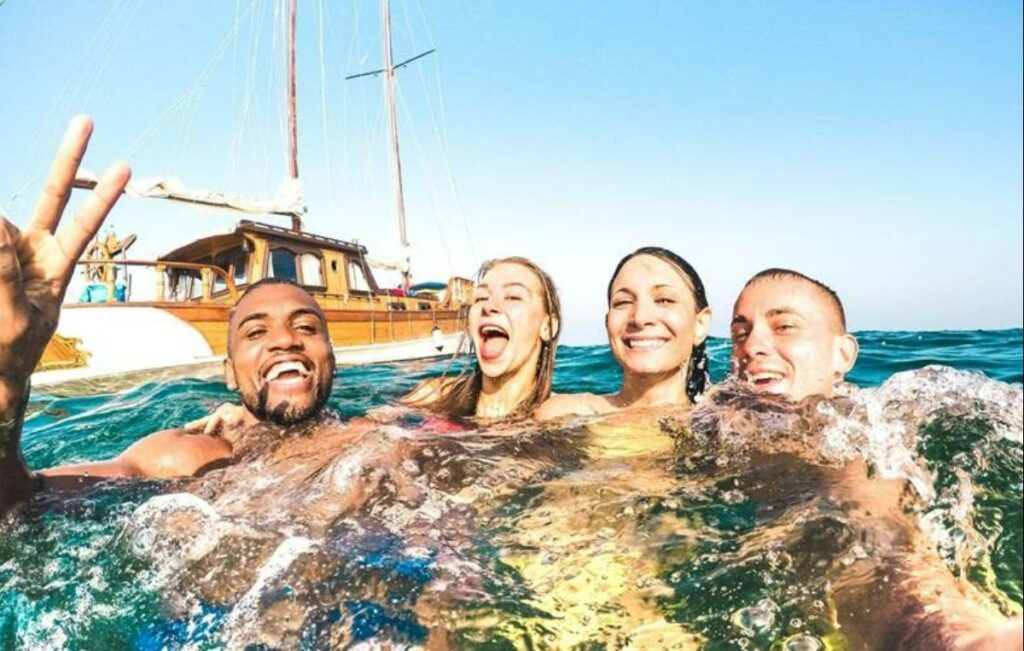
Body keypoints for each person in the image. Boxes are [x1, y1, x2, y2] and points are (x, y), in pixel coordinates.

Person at [536, 246, 712, 420]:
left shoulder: (719, 423)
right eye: (623, 302)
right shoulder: (565, 414)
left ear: (700, 324)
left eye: (664, 300)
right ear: (607, 323)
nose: (640, 317)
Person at [730, 267, 858, 400]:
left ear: (843, 354)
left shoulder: (875, 417)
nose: (751, 346)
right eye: (741, 334)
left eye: (784, 327)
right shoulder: (712, 414)